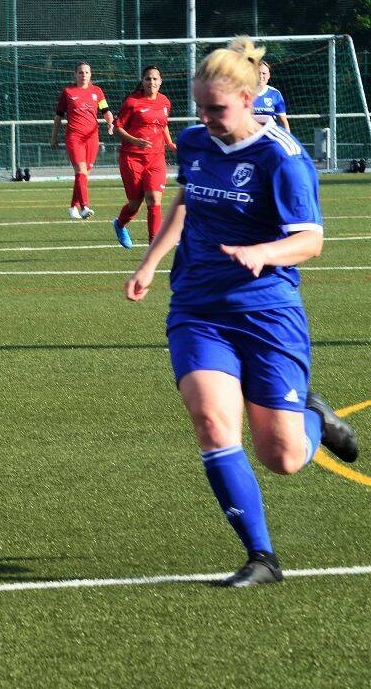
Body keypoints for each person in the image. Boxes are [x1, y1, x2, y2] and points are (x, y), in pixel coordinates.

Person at [124, 38, 359, 588]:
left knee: (282, 457)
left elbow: (310, 240)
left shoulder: (283, 158)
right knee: (211, 421)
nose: (205, 119)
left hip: (267, 313)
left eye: (217, 109)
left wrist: (263, 253)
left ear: (250, 100)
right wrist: (151, 262)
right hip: (198, 307)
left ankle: (314, 418)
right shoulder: (194, 142)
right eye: (200, 108)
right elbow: (187, 201)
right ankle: (262, 557)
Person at [111, 65, 177, 249]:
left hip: (156, 158)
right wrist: (135, 141)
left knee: (154, 199)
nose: (151, 82)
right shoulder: (132, 102)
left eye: (155, 79)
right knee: (135, 204)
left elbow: (162, 124)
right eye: (148, 78)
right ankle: (120, 224)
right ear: (142, 81)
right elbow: (116, 129)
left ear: (160, 81)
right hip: (132, 158)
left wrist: (170, 143)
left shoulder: (164, 102)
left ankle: (153, 244)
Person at [51, 62, 114, 220]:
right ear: (75, 75)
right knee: (81, 170)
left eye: (86, 72)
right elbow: (58, 116)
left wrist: (110, 123)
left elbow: (106, 110)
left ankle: (73, 207)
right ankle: (84, 207)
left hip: (92, 138)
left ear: (90, 74)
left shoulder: (97, 91)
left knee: (84, 175)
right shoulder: (68, 92)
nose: (84, 75)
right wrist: (54, 137)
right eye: (80, 72)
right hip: (74, 137)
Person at [254, 60, 290, 132]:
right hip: (249, 136)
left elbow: (283, 121)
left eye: (264, 73)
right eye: (258, 73)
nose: (261, 76)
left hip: (269, 135)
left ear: (269, 75)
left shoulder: (275, 94)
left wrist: (288, 136)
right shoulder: (243, 93)